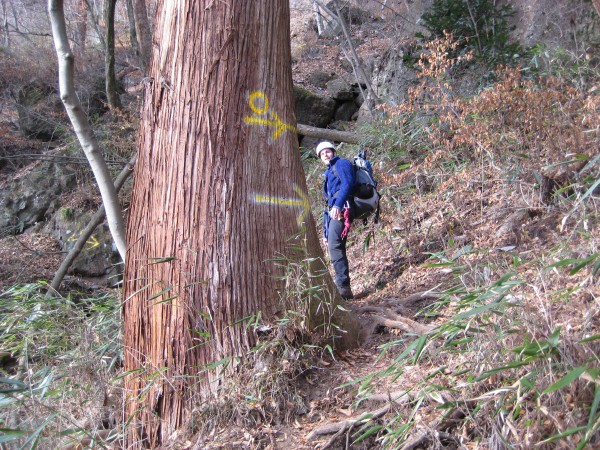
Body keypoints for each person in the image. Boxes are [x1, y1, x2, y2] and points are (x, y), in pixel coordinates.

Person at [316, 141, 355, 300]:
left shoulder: (341, 163)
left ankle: (343, 287)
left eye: (328, 151)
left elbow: (348, 183)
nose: (325, 155)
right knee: (334, 244)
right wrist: (326, 231)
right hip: (336, 210)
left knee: (335, 244)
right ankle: (344, 288)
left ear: (333, 152)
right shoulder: (328, 172)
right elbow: (328, 204)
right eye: (322, 153)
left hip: (344, 207)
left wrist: (339, 204)